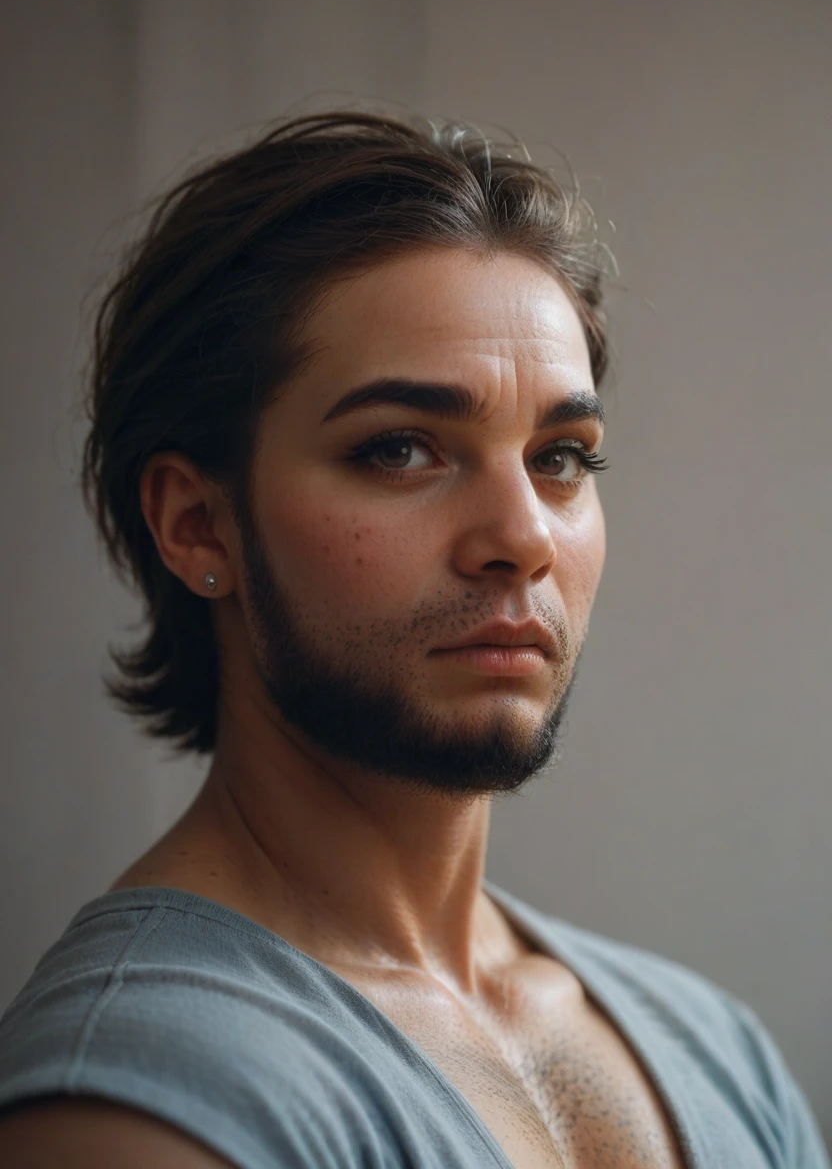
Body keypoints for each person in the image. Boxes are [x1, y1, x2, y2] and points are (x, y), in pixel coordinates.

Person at [0, 110, 827, 1169]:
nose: (522, 536)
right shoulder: (128, 1111)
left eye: (562, 456)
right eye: (399, 448)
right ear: (197, 522)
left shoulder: (717, 1049)